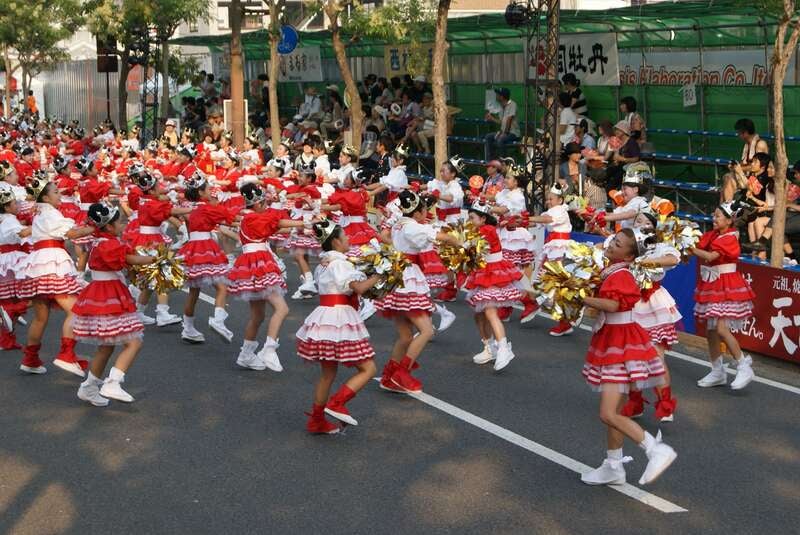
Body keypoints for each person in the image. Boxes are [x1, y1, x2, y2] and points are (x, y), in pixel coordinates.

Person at [580, 228, 677, 487]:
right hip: (615, 339)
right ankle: (613, 466)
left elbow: (613, 305)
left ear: (630, 254)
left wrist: (582, 297)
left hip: (620, 343)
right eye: (614, 240)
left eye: (619, 244)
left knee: (608, 413)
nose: (612, 245)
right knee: (615, 410)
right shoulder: (613, 269)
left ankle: (655, 449)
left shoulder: (621, 274)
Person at [296, 220, 381, 434]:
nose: (349, 239)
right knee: (368, 368)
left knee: (327, 374)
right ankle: (337, 402)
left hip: (324, 317)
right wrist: (380, 274)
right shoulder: (340, 263)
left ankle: (316, 420)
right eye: (345, 237)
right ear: (335, 241)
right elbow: (359, 288)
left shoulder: (323, 263)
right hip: (340, 318)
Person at [376, 190, 461, 393]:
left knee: (405, 336)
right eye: (424, 210)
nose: (426, 213)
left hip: (399, 275)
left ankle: (388, 377)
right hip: (408, 278)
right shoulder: (413, 227)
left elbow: (388, 237)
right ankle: (401, 373)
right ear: (417, 212)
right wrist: (460, 242)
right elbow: (442, 237)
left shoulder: (400, 224)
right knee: (426, 330)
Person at [73, 203, 155, 405]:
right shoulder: (107, 244)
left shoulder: (104, 241)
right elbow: (129, 259)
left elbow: (125, 261)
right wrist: (154, 259)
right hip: (108, 293)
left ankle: (89, 388)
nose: (123, 223)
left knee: (106, 346)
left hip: (104, 291)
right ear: (109, 226)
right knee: (134, 341)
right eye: (119, 221)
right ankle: (113, 383)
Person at [17, 177, 95, 376]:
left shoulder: (41, 213)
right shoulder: (50, 214)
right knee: (76, 310)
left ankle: (30, 358)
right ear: (45, 196)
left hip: (38, 264)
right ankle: (66, 354)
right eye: (56, 192)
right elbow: (71, 233)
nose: (60, 195)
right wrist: (95, 228)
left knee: (40, 318)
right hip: (52, 263)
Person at [227, 183, 309, 371]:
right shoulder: (253, 218)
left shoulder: (251, 218)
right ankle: (269, 349)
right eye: (263, 202)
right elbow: (277, 223)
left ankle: (246, 355)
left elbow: (274, 227)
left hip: (252, 262)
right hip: (258, 263)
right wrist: (303, 223)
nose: (265, 205)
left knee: (258, 316)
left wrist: (298, 224)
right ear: (255, 204)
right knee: (282, 309)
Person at [621, 212, 682, 423]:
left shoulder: (659, 247)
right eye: (638, 221)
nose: (642, 225)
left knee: (656, 356)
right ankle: (635, 402)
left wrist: (645, 263)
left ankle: (665, 403)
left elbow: (673, 259)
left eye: (647, 222)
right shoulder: (625, 246)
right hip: (629, 304)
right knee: (628, 358)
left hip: (653, 304)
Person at [690, 201, 756, 390]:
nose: (714, 218)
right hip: (713, 283)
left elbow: (710, 257)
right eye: (714, 214)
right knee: (711, 330)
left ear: (729, 220)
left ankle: (743, 365)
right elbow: (699, 249)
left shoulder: (729, 237)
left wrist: (688, 248)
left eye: (718, 216)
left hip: (727, 283)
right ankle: (717, 370)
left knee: (720, 328)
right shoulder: (713, 235)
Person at [466, 199, 526, 371]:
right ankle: (489, 347)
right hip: (484, 271)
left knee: (490, 311)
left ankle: (504, 348)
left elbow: (470, 246)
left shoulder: (486, 230)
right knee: (479, 314)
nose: (470, 221)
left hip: (493, 272)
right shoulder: (480, 229)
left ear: (483, 218)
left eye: (472, 218)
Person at [178, 172, 237, 344]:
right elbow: (229, 219)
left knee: (193, 291)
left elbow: (190, 229)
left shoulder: (191, 208)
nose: (211, 191)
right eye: (209, 189)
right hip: (205, 246)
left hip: (192, 247)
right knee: (222, 286)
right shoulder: (207, 207)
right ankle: (218, 320)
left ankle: (188, 328)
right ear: (201, 193)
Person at [529, 184, 575, 336]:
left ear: (560, 199)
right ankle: (562, 320)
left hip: (560, 249)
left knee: (556, 285)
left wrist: (527, 218)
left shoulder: (560, 211)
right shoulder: (551, 211)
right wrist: (516, 221)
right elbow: (538, 221)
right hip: (552, 248)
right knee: (547, 283)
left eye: (551, 198)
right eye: (547, 198)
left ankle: (564, 321)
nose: (548, 201)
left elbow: (546, 219)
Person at [0, 186, 30, 351]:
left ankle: (6, 341)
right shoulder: (10, 220)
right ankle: (6, 312)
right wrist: (39, 226)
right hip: (12, 259)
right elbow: (21, 234)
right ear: (6, 206)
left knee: (9, 297)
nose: (17, 205)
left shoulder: (4, 219)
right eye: (14, 203)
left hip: (4, 258)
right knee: (25, 294)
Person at [721, 118, 770, 203]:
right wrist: (734, 166)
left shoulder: (760, 144)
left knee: (729, 178)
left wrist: (738, 169)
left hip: (759, 180)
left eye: (739, 133)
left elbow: (757, 167)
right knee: (726, 179)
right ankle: (721, 210)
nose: (738, 135)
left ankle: (727, 210)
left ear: (745, 133)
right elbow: (745, 163)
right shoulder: (747, 144)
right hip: (748, 177)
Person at [484, 88, 520, 161]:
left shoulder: (512, 104)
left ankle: (503, 163)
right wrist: (492, 118)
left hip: (513, 133)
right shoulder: (501, 107)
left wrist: (504, 133)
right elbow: (502, 122)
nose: (496, 96)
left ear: (502, 97)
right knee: (488, 137)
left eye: (498, 95)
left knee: (500, 140)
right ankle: (491, 161)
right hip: (504, 132)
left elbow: (509, 120)